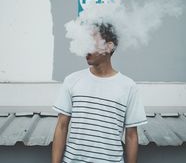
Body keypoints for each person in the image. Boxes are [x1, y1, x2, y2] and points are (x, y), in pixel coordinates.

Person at [52, 22, 148, 163]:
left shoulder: (128, 86)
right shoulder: (72, 80)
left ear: (109, 47)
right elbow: (61, 126)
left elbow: (131, 135)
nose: (84, 47)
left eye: (90, 41)